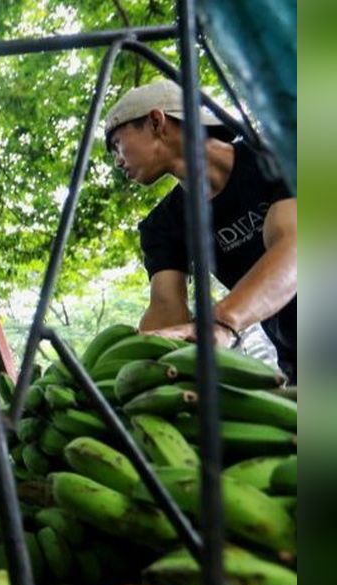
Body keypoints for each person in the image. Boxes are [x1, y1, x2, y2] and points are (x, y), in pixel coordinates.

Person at [105, 80, 297, 382]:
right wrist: (132, 368)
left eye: (116, 143)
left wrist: (221, 323)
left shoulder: (276, 155)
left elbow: (294, 247)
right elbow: (166, 307)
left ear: (157, 121)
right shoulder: (163, 226)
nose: (116, 161)